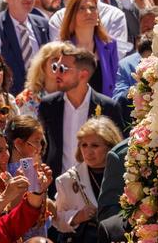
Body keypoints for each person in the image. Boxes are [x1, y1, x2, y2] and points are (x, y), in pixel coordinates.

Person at [38, 46, 126, 175]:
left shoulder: (108, 107)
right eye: (55, 67)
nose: (57, 73)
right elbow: (44, 147)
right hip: (56, 187)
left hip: (96, 186)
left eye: (63, 69)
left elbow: (119, 150)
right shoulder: (48, 106)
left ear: (83, 74)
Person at [53, 116, 123, 243]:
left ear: (110, 146)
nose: (88, 151)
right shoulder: (67, 180)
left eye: (95, 145)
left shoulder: (125, 175)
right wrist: (77, 217)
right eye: (84, 145)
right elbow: (56, 219)